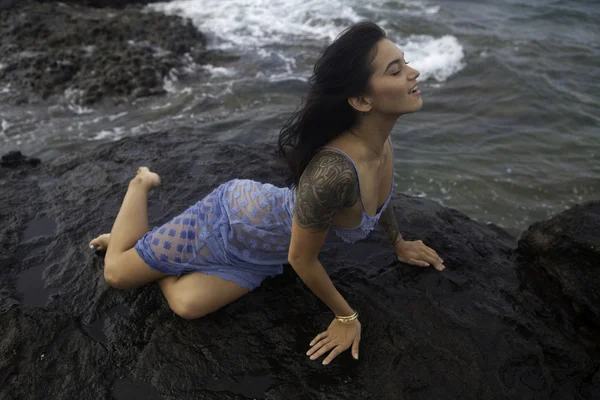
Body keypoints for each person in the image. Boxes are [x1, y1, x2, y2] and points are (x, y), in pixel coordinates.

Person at [88, 20, 445, 366]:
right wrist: (346, 316)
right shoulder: (332, 173)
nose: (414, 73)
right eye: (395, 70)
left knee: (186, 305)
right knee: (116, 273)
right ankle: (142, 184)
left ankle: (154, 252)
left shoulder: (382, 144)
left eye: (405, 62)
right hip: (230, 221)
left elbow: (379, 201)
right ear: (362, 100)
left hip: (263, 255)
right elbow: (302, 259)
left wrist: (398, 243)